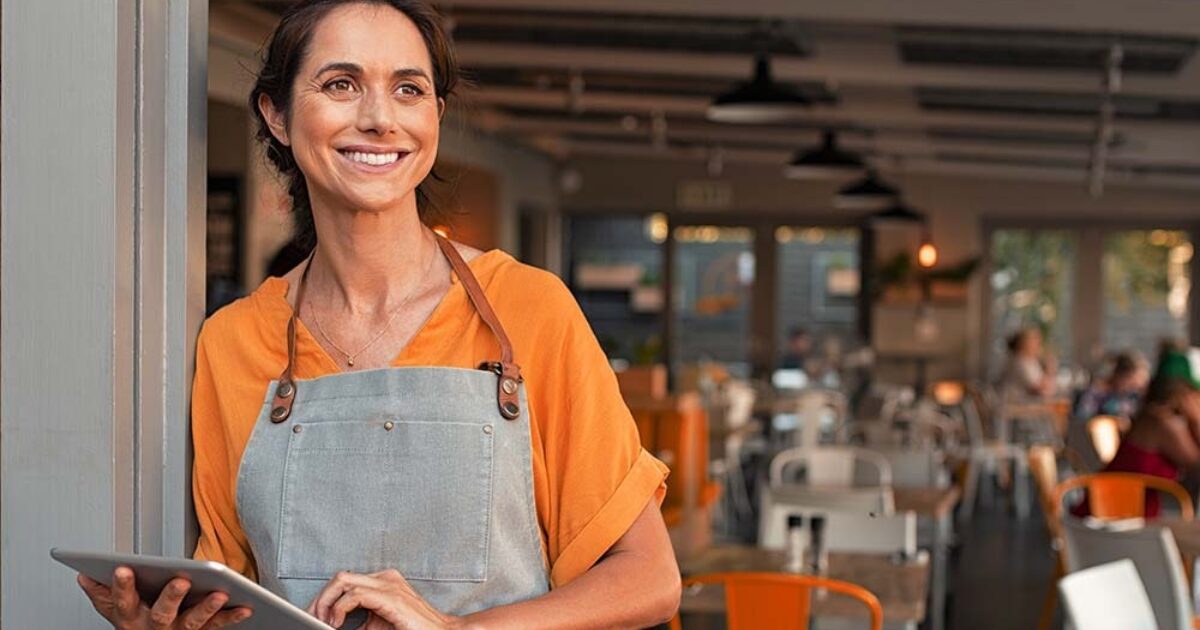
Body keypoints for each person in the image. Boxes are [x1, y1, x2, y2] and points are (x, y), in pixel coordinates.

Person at [77, 2, 680, 628]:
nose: (379, 118)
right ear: (277, 115)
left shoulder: (530, 309)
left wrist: (457, 629)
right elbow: (235, 602)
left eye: (408, 89)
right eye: (340, 84)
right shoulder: (232, 340)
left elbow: (650, 576)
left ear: (435, 117)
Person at [1092, 349, 1200, 517]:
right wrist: (1196, 419)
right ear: (1185, 393)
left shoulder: (1150, 415)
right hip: (1114, 521)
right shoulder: (1163, 422)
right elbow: (1196, 465)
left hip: (1119, 516)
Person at [1072, 351, 1149, 421]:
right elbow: (1083, 418)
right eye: (1133, 383)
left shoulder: (1133, 397)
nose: (1135, 388)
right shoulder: (1096, 394)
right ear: (1121, 376)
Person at [998, 327, 1058, 400]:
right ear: (1024, 343)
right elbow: (1038, 389)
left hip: (1026, 404)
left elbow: (1047, 387)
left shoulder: (1032, 361)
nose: (1039, 344)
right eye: (1035, 341)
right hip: (1013, 405)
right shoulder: (1018, 362)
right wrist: (1050, 367)